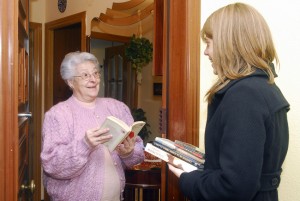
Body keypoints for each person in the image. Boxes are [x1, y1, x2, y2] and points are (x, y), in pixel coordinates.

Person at [168, 3, 289, 201]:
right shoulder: (265, 88)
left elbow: (233, 188)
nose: (206, 52)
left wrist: (186, 178)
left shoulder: (244, 96)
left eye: (208, 43)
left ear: (228, 44)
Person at [40, 51, 145, 201]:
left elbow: (138, 153)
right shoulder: (58, 115)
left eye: (96, 73)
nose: (93, 79)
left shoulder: (117, 107)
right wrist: (85, 145)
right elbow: (52, 165)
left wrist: (128, 153)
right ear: (70, 81)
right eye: (85, 75)